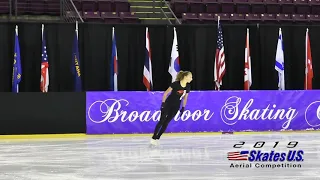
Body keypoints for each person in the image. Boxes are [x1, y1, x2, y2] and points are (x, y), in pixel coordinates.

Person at [150, 71, 193, 146]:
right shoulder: (175, 84)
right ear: (185, 76)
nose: (191, 79)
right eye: (190, 77)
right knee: (162, 121)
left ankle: (157, 138)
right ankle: (153, 137)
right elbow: (166, 93)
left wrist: (183, 107)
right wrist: (163, 103)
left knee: (166, 122)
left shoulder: (188, 86)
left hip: (176, 106)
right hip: (168, 104)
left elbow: (185, 98)